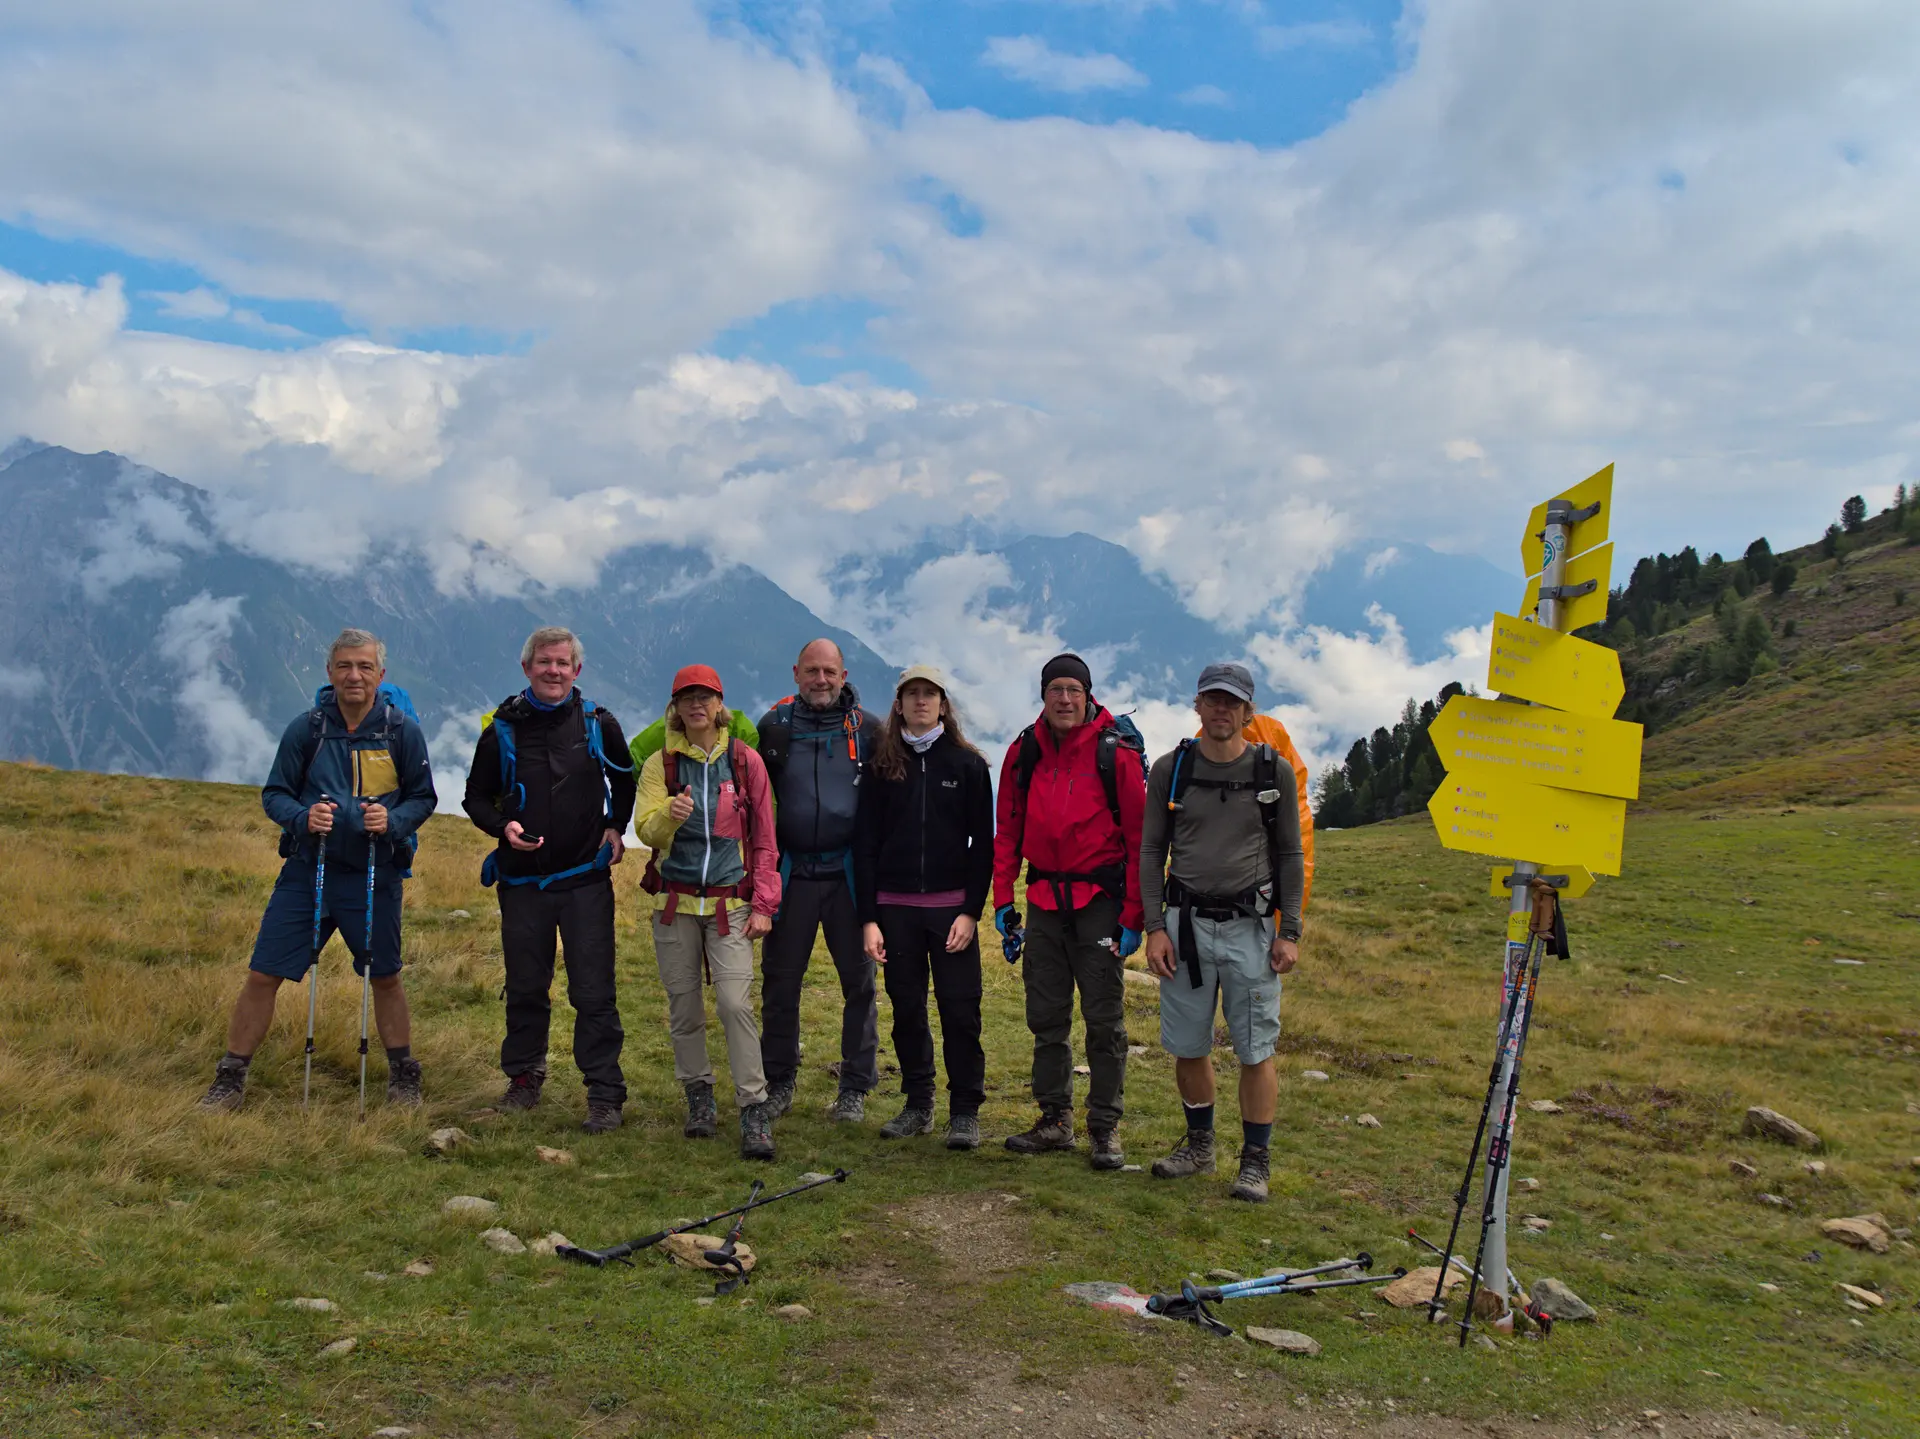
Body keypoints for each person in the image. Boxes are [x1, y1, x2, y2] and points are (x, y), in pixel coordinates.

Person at [198, 629, 437, 1111]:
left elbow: (423, 797)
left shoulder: (400, 731)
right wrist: (302, 818)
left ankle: (403, 1074)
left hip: (374, 873)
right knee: (264, 973)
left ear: (380, 674)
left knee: (385, 975)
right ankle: (230, 1076)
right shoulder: (306, 729)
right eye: (345, 666)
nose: (354, 675)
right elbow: (275, 795)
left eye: (365, 667)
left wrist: (392, 822)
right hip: (309, 870)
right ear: (330, 673)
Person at [1140, 662, 1305, 1203]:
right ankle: (1199, 1146)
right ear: (1197, 705)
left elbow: (1288, 853)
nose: (1221, 710)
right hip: (1183, 928)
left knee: (1255, 1048)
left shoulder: (1271, 771)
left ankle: (1255, 1163)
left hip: (1251, 929)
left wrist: (1291, 930)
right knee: (1188, 1045)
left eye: (1231, 702)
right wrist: (1154, 928)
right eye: (1212, 699)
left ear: (1248, 711)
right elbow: (1150, 852)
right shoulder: (1171, 769)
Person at [462, 627, 636, 1134]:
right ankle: (524, 1077)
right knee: (525, 986)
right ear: (527, 668)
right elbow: (475, 795)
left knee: (593, 991)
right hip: (521, 883)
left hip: (584, 880)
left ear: (576, 670)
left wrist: (614, 828)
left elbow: (623, 780)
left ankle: (604, 1093)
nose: (553, 671)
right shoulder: (501, 730)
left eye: (562, 663)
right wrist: (502, 827)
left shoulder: (599, 724)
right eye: (544, 662)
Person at [992, 652, 1146, 1168]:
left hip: (1100, 902)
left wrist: (1134, 915)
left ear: (1088, 695)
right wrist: (1002, 903)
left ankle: (1105, 1127)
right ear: (1044, 695)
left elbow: (1140, 837)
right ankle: (1055, 1119)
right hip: (1043, 903)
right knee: (1046, 1015)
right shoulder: (1025, 750)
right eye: (1055, 689)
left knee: (1104, 1018)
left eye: (1073, 690)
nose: (1064, 699)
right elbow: (1008, 831)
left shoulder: (1114, 752)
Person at [635, 664, 782, 1160]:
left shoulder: (745, 762)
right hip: (674, 902)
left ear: (721, 706)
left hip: (731, 904)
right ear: (675, 708)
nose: (697, 705)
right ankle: (699, 1095)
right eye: (687, 698)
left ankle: (753, 1107)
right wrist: (667, 818)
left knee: (735, 1006)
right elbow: (646, 834)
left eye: (706, 697)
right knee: (684, 1007)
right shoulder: (662, 765)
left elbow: (765, 839)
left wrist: (764, 903)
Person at [854, 665, 994, 1149]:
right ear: (898, 704)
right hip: (894, 910)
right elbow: (865, 844)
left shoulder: (968, 765)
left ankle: (965, 1112)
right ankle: (918, 1103)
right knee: (907, 1009)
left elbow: (984, 847)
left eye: (928, 694)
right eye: (911, 694)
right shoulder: (880, 764)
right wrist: (869, 917)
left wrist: (970, 911)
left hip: (951, 909)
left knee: (960, 1011)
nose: (920, 702)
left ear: (942, 704)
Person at [756, 639, 883, 1124]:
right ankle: (779, 1080)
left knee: (859, 983)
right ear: (795, 673)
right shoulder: (774, 727)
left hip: (849, 872)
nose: (821, 680)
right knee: (781, 981)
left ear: (844, 673)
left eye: (830, 671)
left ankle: (854, 1087)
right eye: (812, 671)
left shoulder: (869, 729)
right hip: (792, 872)